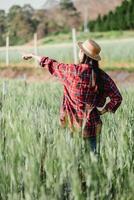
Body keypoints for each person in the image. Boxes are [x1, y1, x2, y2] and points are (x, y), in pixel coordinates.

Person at [22, 39, 122, 154]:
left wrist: (32, 55)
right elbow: (117, 97)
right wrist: (103, 111)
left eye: (80, 51)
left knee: (73, 162)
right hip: (93, 126)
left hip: (72, 125)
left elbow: (49, 63)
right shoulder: (101, 76)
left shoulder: (71, 71)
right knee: (94, 163)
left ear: (83, 54)